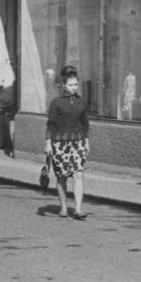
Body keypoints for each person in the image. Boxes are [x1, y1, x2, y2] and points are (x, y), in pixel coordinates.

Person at [44, 65, 90, 219]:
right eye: (70, 85)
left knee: (78, 174)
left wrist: (87, 141)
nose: (74, 87)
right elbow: (51, 124)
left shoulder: (81, 101)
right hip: (60, 143)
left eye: (76, 84)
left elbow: (85, 123)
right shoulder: (56, 102)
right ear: (63, 85)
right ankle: (63, 207)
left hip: (78, 142)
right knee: (62, 176)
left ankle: (78, 208)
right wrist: (48, 143)